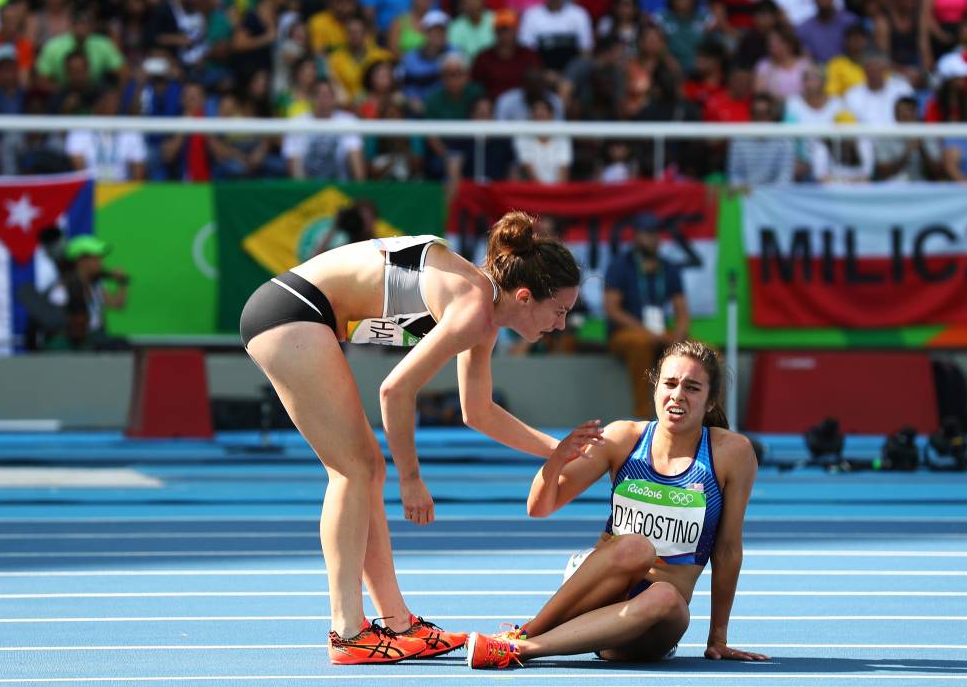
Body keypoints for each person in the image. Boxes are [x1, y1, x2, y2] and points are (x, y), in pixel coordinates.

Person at [239, 211, 585, 664]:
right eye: (559, 311)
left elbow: (477, 411)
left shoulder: (484, 310)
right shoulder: (471, 307)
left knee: (365, 470)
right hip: (291, 312)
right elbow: (395, 390)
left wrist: (560, 450)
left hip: (299, 313)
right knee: (354, 470)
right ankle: (347, 633)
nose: (560, 325)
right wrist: (412, 479)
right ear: (525, 296)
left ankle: (398, 624)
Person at [465, 340, 765, 669]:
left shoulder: (731, 454)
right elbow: (539, 507)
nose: (678, 395)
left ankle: (526, 650)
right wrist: (556, 461)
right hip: (598, 592)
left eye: (692, 388)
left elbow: (727, 550)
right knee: (636, 547)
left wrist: (718, 638)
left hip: (655, 621)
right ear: (655, 388)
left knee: (665, 595)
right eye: (669, 383)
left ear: (710, 402)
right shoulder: (624, 437)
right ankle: (522, 637)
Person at [603, 214, 690, 419]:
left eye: (656, 234)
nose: (653, 239)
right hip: (627, 334)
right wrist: (646, 331)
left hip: (660, 333)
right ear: (636, 237)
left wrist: (677, 337)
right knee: (641, 344)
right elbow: (612, 309)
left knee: (700, 353)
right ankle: (644, 416)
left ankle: (700, 419)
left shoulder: (668, 267)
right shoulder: (620, 265)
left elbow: (682, 312)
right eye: (648, 234)